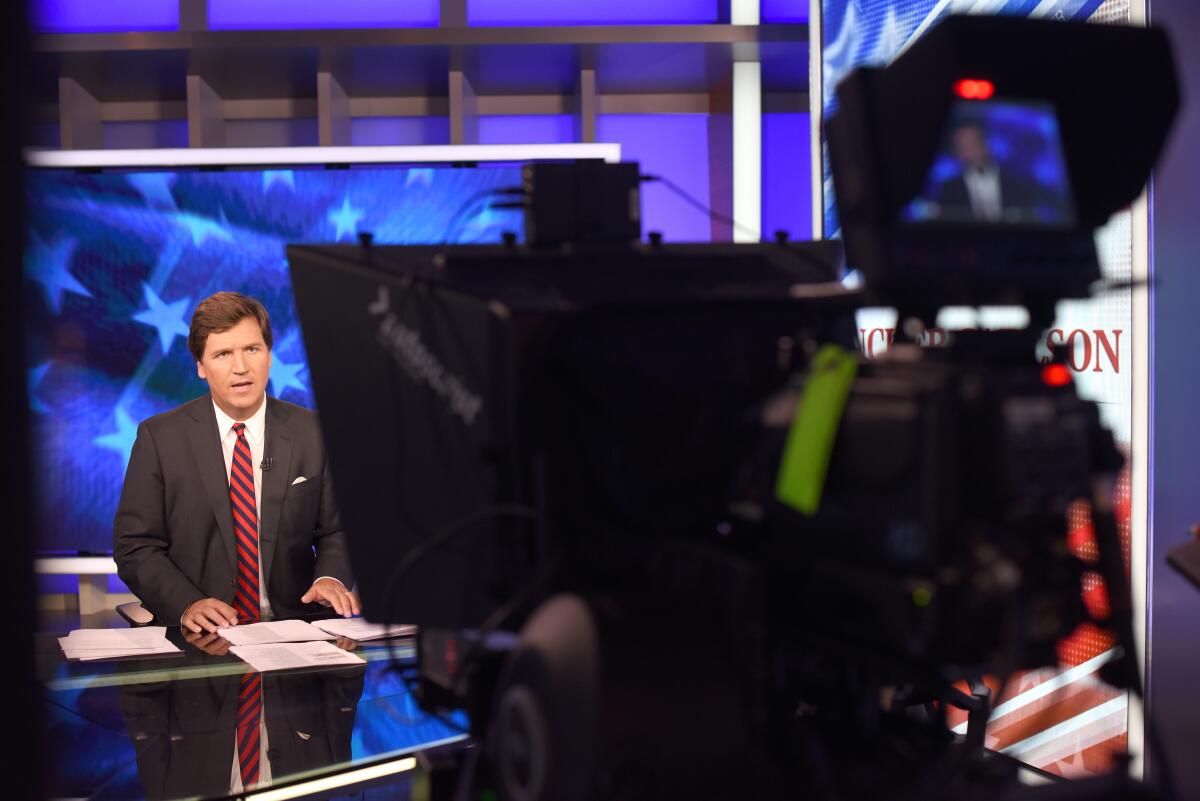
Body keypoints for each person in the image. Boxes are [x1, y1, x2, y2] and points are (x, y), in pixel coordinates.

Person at [114, 291, 360, 634]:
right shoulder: (160, 438)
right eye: (223, 354)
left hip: (297, 630)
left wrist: (330, 577)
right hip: (205, 638)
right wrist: (187, 604)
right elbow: (136, 546)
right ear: (201, 366)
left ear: (269, 356)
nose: (240, 367)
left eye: (252, 350)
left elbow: (339, 529)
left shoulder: (313, 432)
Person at [932, 119, 1054, 223]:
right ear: (957, 152)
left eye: (973, 143)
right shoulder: (949, 189)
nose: (970, 151)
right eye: (963, 146)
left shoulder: (1019, 183)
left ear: (986, 143)